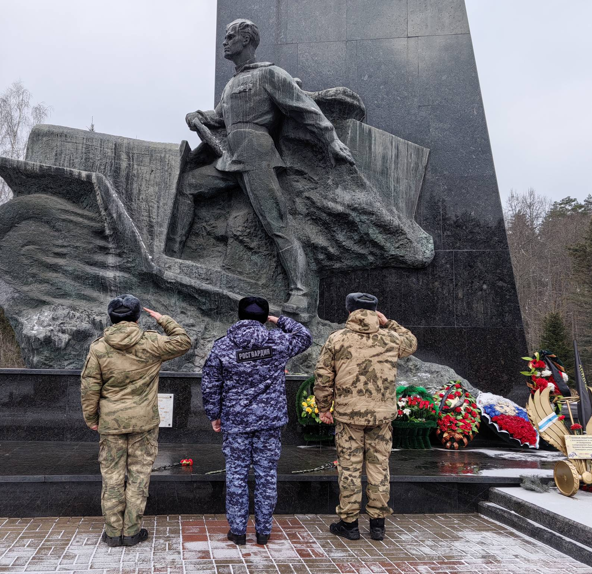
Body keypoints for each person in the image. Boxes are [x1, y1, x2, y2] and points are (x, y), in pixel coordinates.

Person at [165, 18, 356, 316]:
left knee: (276, 224)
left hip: (257, 157)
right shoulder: (231, 84)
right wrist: (197, 115)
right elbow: (219, 117)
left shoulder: (270, 74)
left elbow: (305, 108)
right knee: (188, 185)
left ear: (247, 41)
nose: (225, 42)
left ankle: (301, 293)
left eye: (231, 37)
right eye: (225, 37)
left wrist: (331, 140)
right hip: (230, 159)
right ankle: (173, 255)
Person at [80, 294, 192, 547]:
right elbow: (184, 341)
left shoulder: (99, 347)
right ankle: (131, 531)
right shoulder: (150, 342)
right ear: (137, 316)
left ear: (111, 317)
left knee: (111, 476)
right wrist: (163, 319)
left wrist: (91, 418)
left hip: (111, 422)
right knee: (139, 476)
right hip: (144, 422)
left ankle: (112, 532)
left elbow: (89, 387)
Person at [201, 296, 312, 545]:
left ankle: (238, 531)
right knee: (266, 475)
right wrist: (280, 321)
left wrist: (214, 415)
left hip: (236, 421)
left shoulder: (223, 346)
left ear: (239, 316)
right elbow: (305, 336)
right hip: (269, 423)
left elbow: (210, 383)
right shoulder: (278, 341)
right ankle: (263, 531)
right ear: (264, 317)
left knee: (236, 474)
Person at [313, 292, 418, 541]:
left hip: (349, 416)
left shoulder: (337, 339)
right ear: (375, 312)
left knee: (349, 469)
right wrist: (388, 322)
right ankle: (377, 524)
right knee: (379, 467)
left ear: (350, 311)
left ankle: (349, 524)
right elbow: (411, 342)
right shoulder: (390, 338)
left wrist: (323, 408)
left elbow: (323, 376)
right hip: (381, 417)